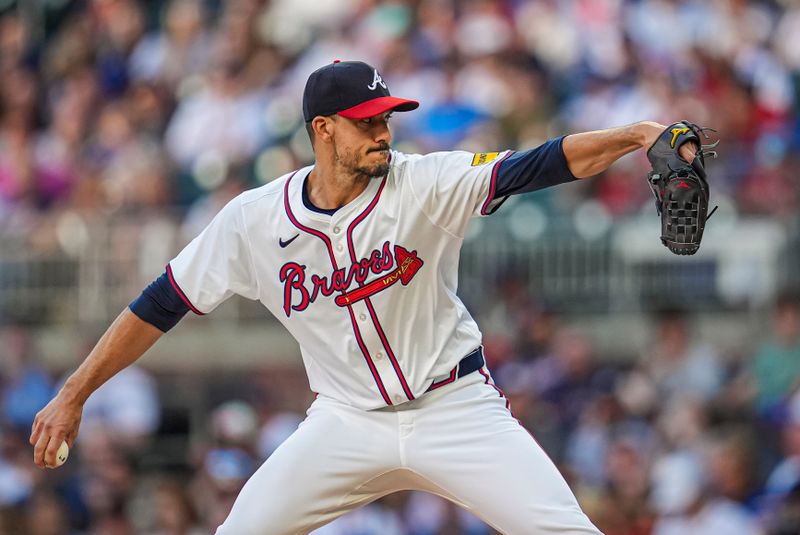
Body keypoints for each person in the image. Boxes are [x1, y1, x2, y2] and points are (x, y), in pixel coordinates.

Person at [30, 60, 699, 534]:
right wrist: (74, 391)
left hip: (455, 408)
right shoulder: (255, 219)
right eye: (367, 121)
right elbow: (159, 304)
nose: (384, 132)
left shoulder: (424, 182)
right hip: (345, 422)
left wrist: (637, 135)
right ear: (324, 130)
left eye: (387, 117)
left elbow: (543, 162)